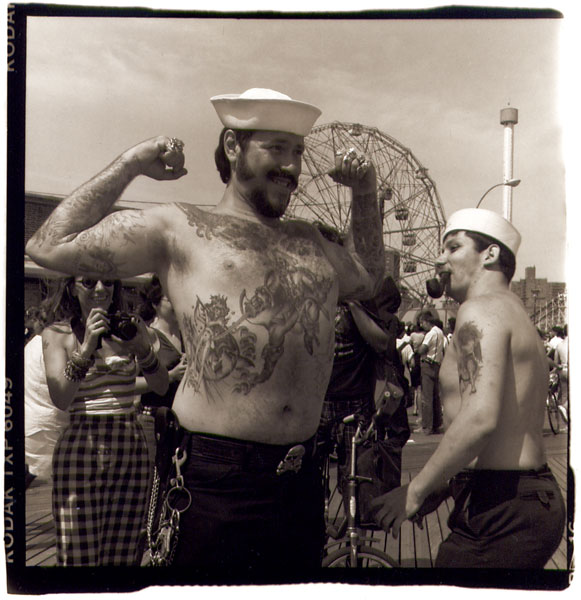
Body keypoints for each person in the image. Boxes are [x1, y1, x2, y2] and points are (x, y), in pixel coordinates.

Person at [25, 87, 385, 573]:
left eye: (298, 151)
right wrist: (133, 161)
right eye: (275, 148)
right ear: (233, 147)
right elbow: (50, 244)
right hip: (216, 481)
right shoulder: (180, 228)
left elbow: (368, 277)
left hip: (301, 481)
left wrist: (364, 193)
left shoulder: (310, 241)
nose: (292, 167)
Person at [371, 208, 566, 569]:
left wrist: (414, 491)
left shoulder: (481, 310)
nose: (439, 259)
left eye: (453, 248)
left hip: (501, 506)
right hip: (524, 499)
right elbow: (504, 429)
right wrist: (441, 486)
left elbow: (479, 418)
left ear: (489, 254)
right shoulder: (514, 312)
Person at [40, 276, 168, 566]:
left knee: (123, 554)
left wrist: (143, 349)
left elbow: (160, 386)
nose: (100, 289)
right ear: (72, 286)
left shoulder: (132, 329)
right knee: (78, 554)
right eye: (88, 282)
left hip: (130, 442)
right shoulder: (58, 334)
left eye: (108, 282)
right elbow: (61, 397)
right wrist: (86, 349)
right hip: (83, 442)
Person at [136, 275, 187, 464]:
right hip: (154, 422)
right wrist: (171, 376)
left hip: (182, 422)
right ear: (155, 304)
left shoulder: (187, 335)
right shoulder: (149, 335)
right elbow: (129, 383)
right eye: (170, 298)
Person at [415, 310, 445, 435]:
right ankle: (437, 423)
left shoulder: (430, 334)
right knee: (435, 396)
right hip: (437, 364)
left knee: (426, 397)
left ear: (427, 321)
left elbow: (422, 349)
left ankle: (426, 426)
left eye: (422, 323)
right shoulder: (440, 332)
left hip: (427, 364)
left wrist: (417, 348)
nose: (422, 325)